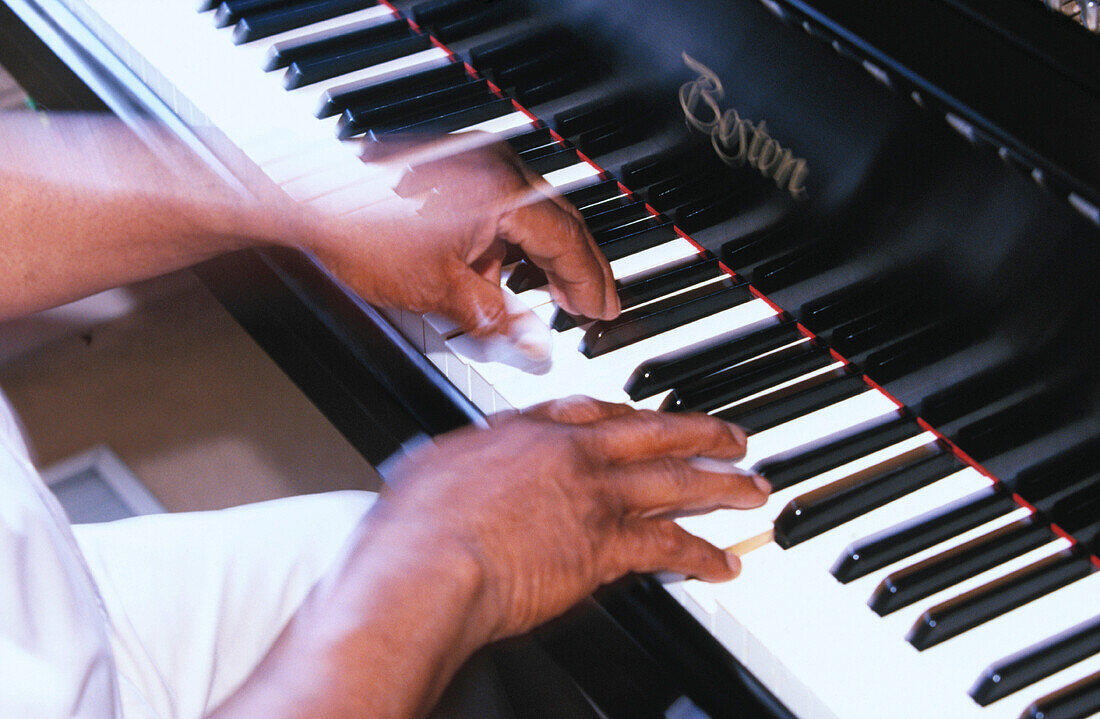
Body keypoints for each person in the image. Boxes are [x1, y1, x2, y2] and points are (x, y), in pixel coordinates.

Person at [0, 112, 770, 719]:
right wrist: (443, 552)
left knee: (352, 548)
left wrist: (297, 189)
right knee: (418, 583)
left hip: (37, 607)